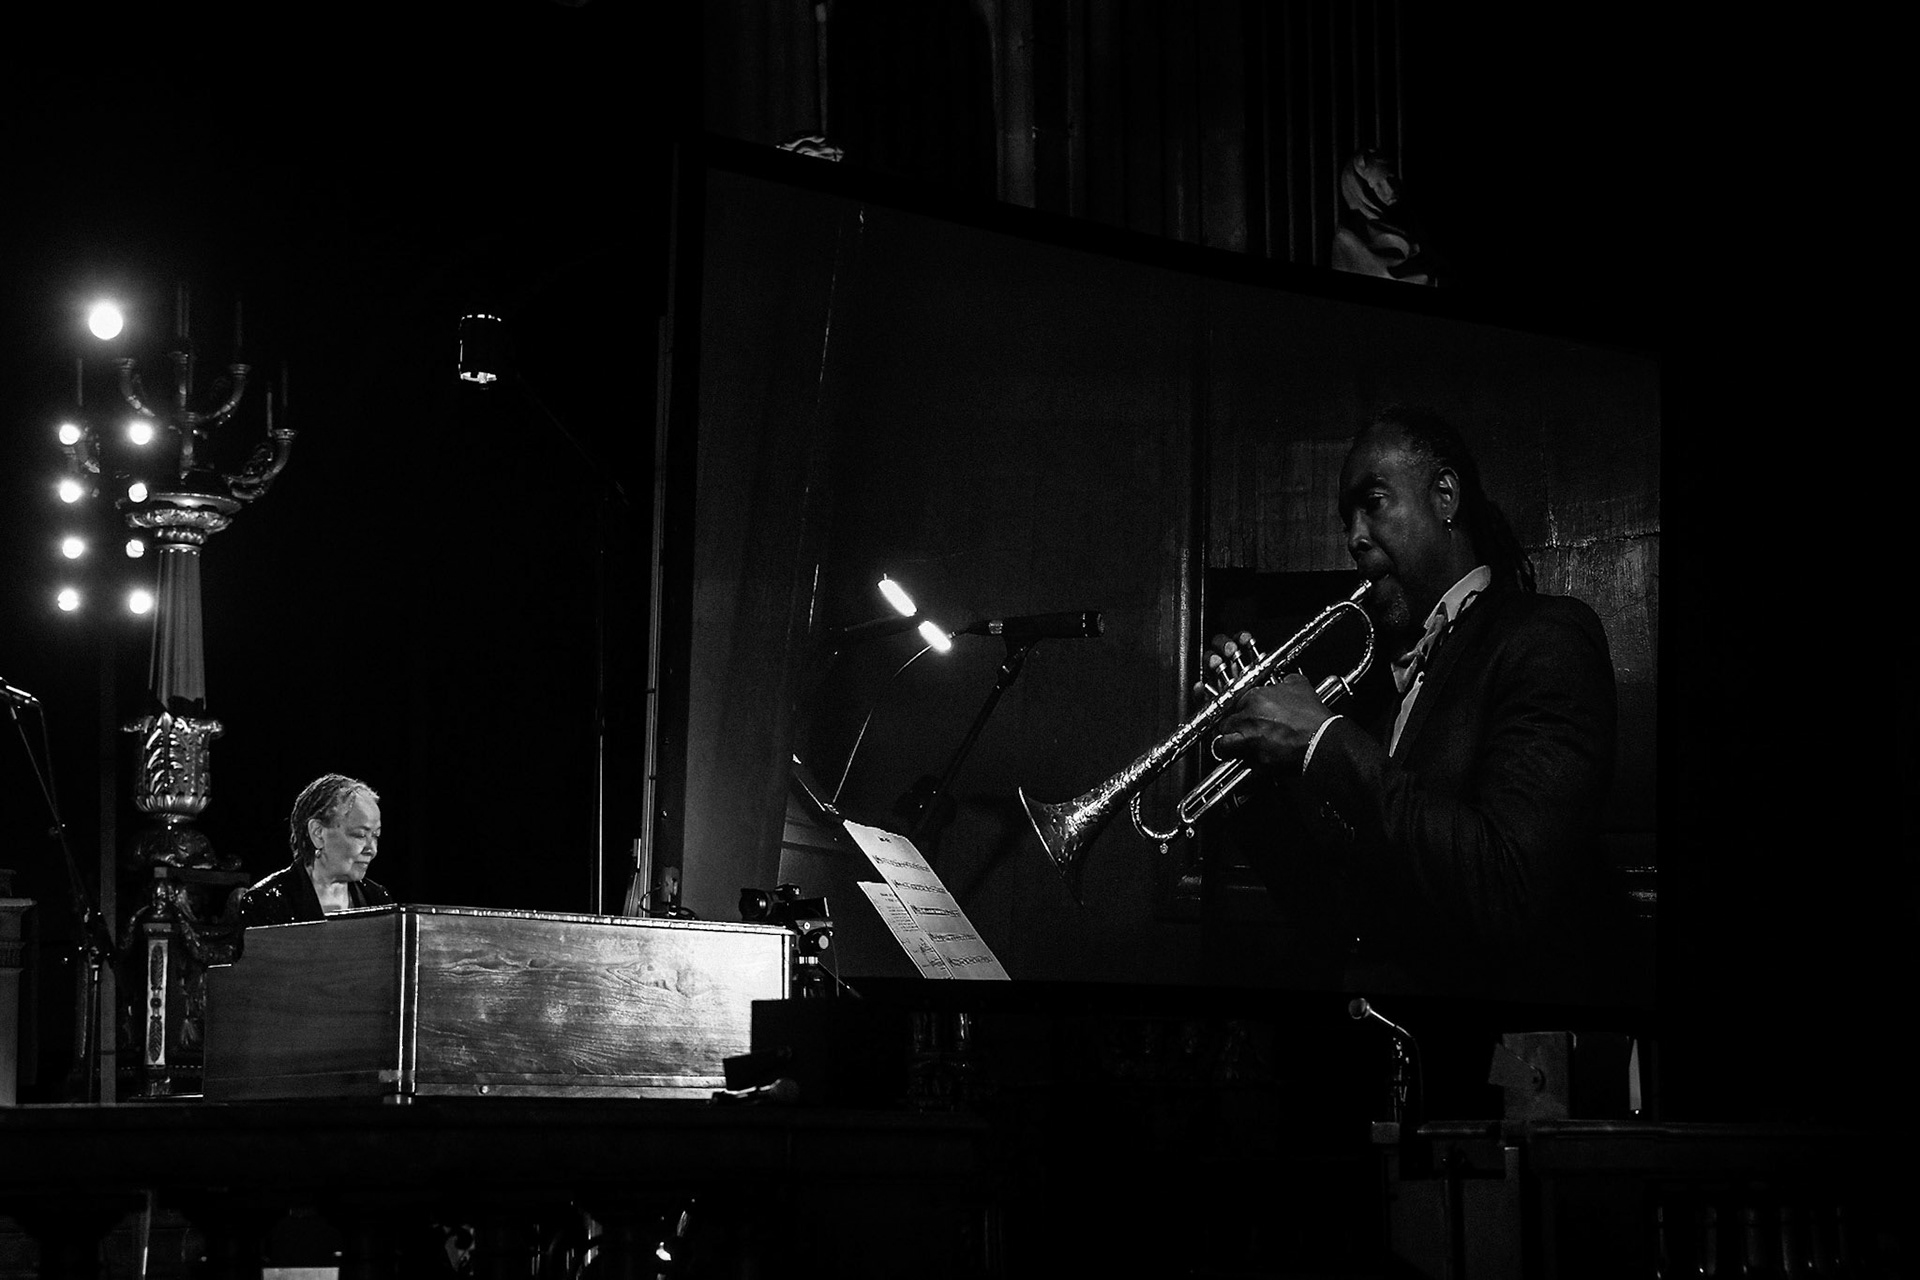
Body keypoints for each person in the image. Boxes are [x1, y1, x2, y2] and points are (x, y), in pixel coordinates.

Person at [1210, 407, 1621, 1005]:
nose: (1353, 536)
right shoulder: (1382, 687)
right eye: (1347, 518)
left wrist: (1322, 741)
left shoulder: (1546, 637)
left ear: (1445, 496)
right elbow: (1341, 917)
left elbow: (1507, 885)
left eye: (1372, 503)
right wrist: (1252, 778)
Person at [236, 773, 393, 928]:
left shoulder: (377, 900)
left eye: (376, 836)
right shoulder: (266, 902)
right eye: (360, 835)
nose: (372, 850)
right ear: (318, 833)